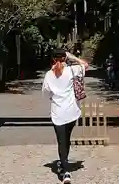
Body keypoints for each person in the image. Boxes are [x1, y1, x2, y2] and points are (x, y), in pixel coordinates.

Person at [42, 48, 89, 184]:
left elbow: (46, 94)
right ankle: (63, 164)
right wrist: (72, 57)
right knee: (66, 139)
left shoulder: (48, 75)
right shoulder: (72, 70)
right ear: (65, 58)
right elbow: (85, 65)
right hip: (72, 112)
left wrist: (54, 97)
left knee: (61, 141)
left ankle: (65, 171)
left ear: (52, 59)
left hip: (57, 113)